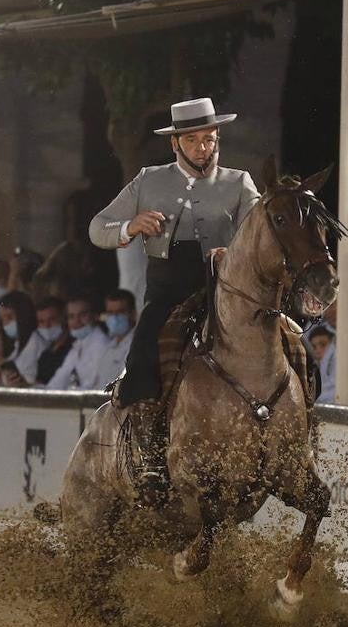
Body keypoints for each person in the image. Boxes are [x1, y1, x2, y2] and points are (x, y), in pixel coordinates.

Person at [88, 97, 259, 407]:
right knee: (141, 360)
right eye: (192, 140)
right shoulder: (148, 180)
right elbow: (97, 228)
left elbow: (259, 237)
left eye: (209, 139)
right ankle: (141, 433)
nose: (202, 147)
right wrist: (131, 226)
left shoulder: (239, 182)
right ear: (175, 144)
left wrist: (234, 252)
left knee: (288, 343)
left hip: (225, 290)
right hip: (166, 293)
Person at [46, 297, 112, 390]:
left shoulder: (101, 344)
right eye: (71, 316)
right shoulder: (78, 344)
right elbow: (58, 380)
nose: (76, 321)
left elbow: (97, 388)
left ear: (94, 316)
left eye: (82, 315)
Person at [95, 289, 138, 389]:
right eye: (110, 312)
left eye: (120, 312)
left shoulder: (136, 345)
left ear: (132, 314)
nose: (114, 318)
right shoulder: (108, 346)